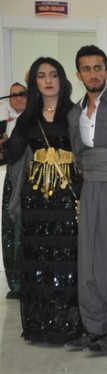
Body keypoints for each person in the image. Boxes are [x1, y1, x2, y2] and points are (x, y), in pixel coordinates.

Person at [0, 57, 82, 343]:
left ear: (62, 79)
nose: (48, 80)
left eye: (53, 75)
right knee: (38, 256)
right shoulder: (28, 117)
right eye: (41, 75)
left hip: (69, 194)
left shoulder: (75, 112)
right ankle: (41, 325)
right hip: (36, 196)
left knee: (68, 256)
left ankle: (69, 324)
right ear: (34, 82)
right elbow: (10, 153)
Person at [65, 45, 107, 354]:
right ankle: (93, 327)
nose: (93, 74)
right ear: (79, 75)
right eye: (87, 69)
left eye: (98, 67)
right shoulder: (74, 112)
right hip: (89, 186)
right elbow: (78, 155)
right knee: (88, 257)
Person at [0, 82, 27, 299]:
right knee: (11, 229)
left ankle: (26, 282)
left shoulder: (35, 123)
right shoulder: (3, 125)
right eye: (13, 95)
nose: (18, 98)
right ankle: (15, 283)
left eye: (22, 94)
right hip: (11, 182)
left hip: (31, 181)